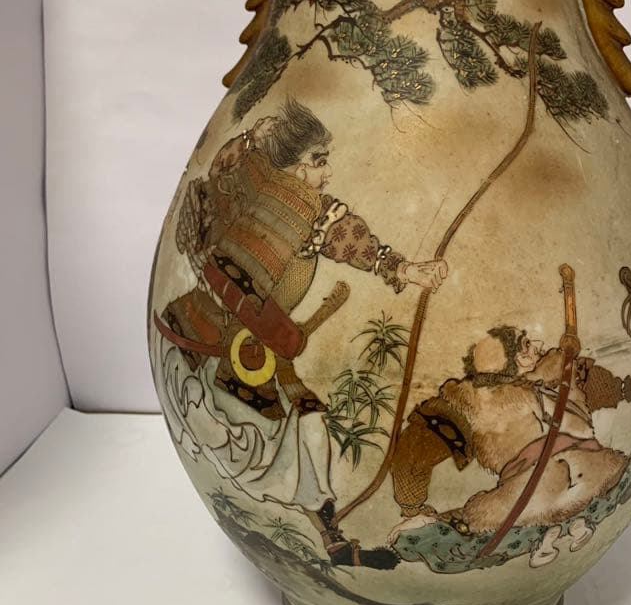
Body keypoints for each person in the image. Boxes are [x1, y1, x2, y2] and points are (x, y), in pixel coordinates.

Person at [158, 98, 447, 568]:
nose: (327, 173)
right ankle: (321, 535)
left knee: (307, 427)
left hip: (253, 351)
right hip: (215, 340)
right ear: (293, 164)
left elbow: (349, 237)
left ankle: (331, 540)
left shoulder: (299, 205)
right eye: (318, 160)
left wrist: (403, 269)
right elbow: (222, 176)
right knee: (262, 430)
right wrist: (248, 138)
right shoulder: (264, 186)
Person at [389, 324, 631, 563]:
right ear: (509, 359)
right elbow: (415, 452)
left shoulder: (550, 373)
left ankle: (550, 533)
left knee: (478, 518)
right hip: (588, 473)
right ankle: (561, 530)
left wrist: (627, 387)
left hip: (540, 492)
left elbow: (411, 456)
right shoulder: (475, 403)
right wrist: (412, 507)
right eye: (525, 344)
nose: (536, 345)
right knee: (486, 515)